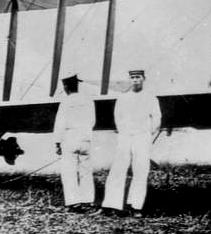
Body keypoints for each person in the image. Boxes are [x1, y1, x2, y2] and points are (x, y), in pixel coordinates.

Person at [99, 69, 161, 217]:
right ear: (129, 79)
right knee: (118, 168)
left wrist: (146, 134)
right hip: (125, 137)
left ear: (143, 78)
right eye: (132, 77)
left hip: (142, 137)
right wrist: (123, 132)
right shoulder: (123, 98)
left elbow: (157, 119)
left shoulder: (151, 97)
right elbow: (118, 117)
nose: (135, 80)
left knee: (140, 170)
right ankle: (112, 205)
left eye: (138, 77)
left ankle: (136, 206)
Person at [53, 73, 96, 212]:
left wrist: (57, 142)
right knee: (86, 170)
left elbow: (60, 123)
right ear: (77, 85)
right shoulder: (88, 100)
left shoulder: (66, 102)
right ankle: (88, 201)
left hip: (70, 137)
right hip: (85, 138)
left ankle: (73, 202)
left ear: (65, 86)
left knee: (69, 171)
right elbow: (92, 121)